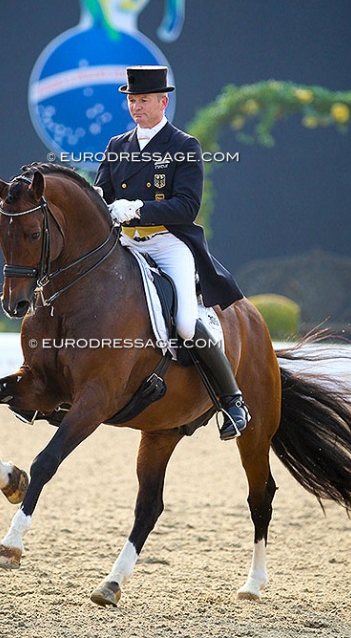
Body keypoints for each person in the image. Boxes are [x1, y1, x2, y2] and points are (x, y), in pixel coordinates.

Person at [94, 65, 250, 440]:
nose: (136, 107)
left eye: (143, 100)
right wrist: (97, 201)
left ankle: (232, 401)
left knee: (182, 322)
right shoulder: (117, 146)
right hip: (127, 243)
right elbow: (102, 192)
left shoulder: (183, 146)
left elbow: (187, 206)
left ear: (163, 101)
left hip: (167, 243)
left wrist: (139, 209)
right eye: (132, 100)